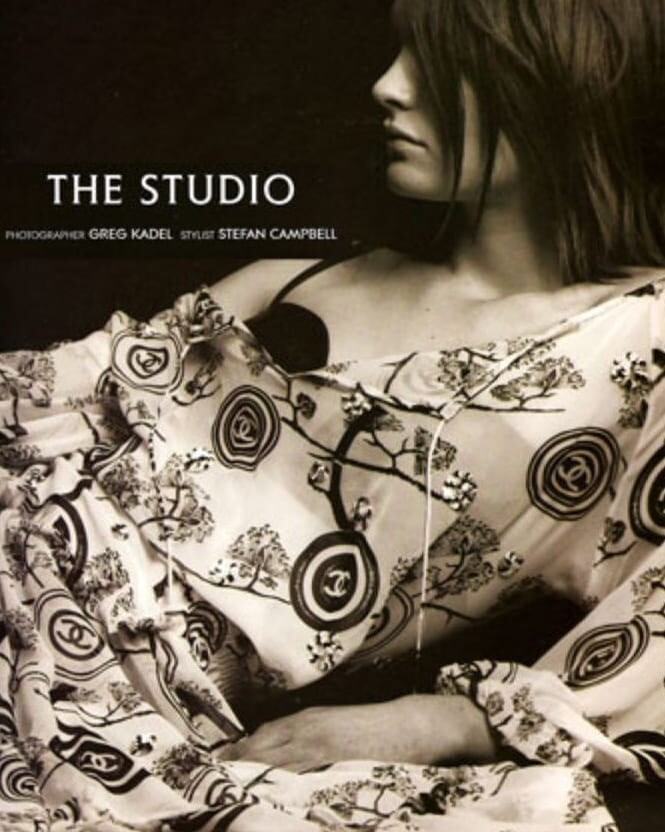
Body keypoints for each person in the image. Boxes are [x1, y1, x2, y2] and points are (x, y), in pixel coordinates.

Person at [2, 1, 665, 831]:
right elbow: (39, 400)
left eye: (441, 65)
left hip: (97, 677)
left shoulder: (637, 339)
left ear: (565, 85)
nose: (387, 87)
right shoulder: (298, 275)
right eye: (399, 54)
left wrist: (441, 722)